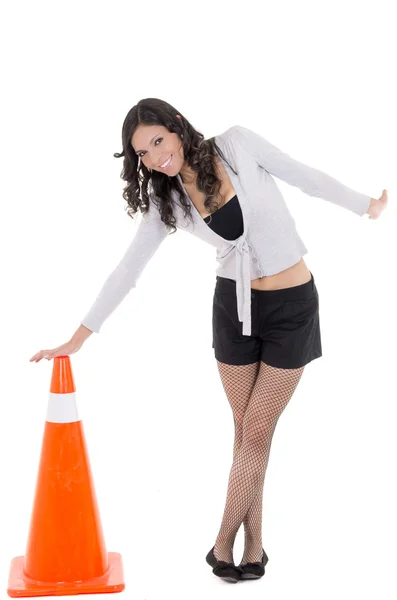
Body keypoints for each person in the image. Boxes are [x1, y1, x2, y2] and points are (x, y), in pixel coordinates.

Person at [29, 97, 388, 584]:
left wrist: (365, 204)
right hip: (232, 312)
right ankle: (255, 547)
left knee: (255, 431)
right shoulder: (167, 200)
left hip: (292, 307)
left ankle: (222, 544)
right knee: (248, 434)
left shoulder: (237, 145)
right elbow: (128, 269)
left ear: (177, 128)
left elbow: (304, 176)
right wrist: (79, 336)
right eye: (144, 154)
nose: (156, 157)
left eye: (158, 141)